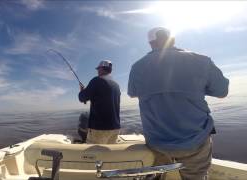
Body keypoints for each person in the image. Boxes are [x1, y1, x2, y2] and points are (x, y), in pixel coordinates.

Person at [127, 27, 229, 180]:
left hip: (156, 142)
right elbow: (222, 92)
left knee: (156, 176)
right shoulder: (201, 60)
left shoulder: (137, 67)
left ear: (150, 43)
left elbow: (132, 93)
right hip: (195, 141)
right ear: (172, 39)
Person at [79, 60, 121, 144]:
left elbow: (82, 97)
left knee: (94, 155)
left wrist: (81, 91)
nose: (97, 71)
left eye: (98, 69)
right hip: (115, 128)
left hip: (99, 129)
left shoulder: (96, 81)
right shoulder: (116, 86)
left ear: (102, 69)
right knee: (109, 155)